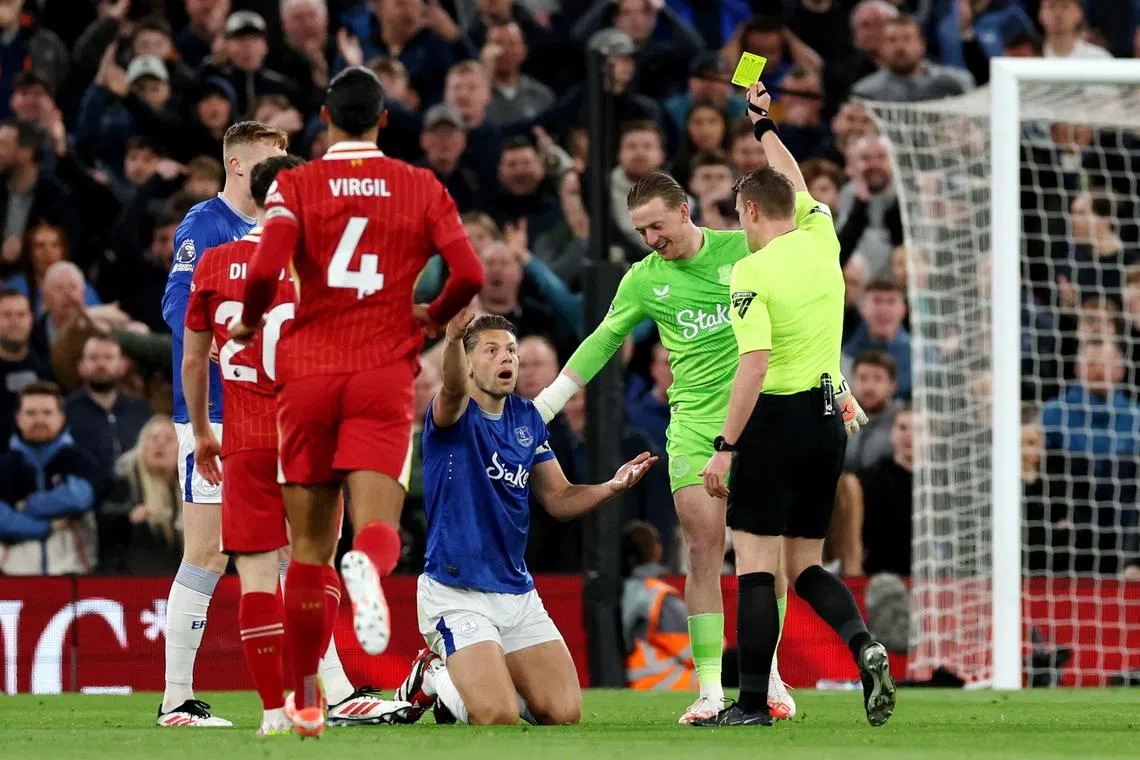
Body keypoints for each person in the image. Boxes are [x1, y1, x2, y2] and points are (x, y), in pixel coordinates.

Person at [531, 163, 868, 722]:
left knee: (764, 557)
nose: (650, 239)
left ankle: (768, 676)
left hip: (756, 420)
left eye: (657, 226)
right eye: (641, 231)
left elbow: (806, 310)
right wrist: (546, 405)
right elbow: (604, 339)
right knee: (704, 546)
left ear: (684, 212)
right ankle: (710, 687)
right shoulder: (643, 279)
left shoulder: (745, 250)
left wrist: (835, 382)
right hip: (693, 426)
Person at [234, 66, 484, 737]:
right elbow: (471, 272)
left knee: (308, 550)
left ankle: (304, 702)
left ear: (323, 118)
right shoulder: (420, 185)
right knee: (375, 527)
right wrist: (433, 316)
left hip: (308, 377)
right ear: (384, 119)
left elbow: (264, 269)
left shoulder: (294, 184)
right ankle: (368, 568)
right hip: (381, 372)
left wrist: (249, 321)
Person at [184, 154, 410, 735]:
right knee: (313, 564)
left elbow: (192, 360)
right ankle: (310, 696)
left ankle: (271, 713)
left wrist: (205, 433)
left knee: (256, 576)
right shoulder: (323, 266)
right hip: (309, 434)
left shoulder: (214, 262)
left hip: (245, 439)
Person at [694, 82, 894, 728]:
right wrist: (763, 127)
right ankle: (863, 645)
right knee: (805, 564)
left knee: (756, 567)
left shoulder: (750, 272)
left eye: (738, 214)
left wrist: (725, 447)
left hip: (775, 422)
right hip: (829, 420)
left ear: (751, 211)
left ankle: (752, 703)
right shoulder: (822, 234)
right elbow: (794, 179)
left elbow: (753, 365)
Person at [392, 310, 656, 725]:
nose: (507, 358)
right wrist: (454, 337)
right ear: (467, 362)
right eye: (492, 350)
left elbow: (560, 498)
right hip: (457, 592)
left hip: (517, 594)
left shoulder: (526, 420)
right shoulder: (452, 414)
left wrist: (611, 486)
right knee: (497, 716)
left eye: (511, 351)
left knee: (564, 713)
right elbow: (453, 387)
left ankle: (479, 680)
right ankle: (434, 674)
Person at [158, 119, 288, 728]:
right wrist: (211, 334)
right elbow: (174, 302)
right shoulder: (205, 225)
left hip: (267, 412)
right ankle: (175, 699)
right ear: (237, 165)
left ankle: (325, 690)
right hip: (212, 413)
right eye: (268, 160)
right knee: (209, 552)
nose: (278, 171)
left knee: (290, 551)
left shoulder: (281, 231)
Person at [0, 381, 98, 575]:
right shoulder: (4, 465)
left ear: (61, 418)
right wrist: (46, 526)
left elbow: (79, 498)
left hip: (74, 575)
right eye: (30, 413)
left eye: (47, 413)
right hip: (13, 578)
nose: (39, 420)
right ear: (18, 418)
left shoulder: (82, 459)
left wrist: (28, 505)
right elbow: (2, 520)